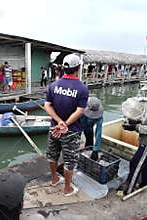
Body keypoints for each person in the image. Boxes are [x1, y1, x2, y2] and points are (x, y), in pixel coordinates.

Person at [44, 53, 89, 197]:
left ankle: (54, 179)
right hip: (71, 131)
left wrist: (58, 122)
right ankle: (67, 188)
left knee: (52, 155)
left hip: (54, 128)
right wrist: (65, 124)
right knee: (70, 160)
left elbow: (47, 105)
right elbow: (80, 111)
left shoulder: (53, 85)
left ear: (63, 67)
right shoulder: (82, 88)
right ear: (78, 68)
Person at [81, 97, 103, 161]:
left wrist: (96, 149)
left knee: (90, 144)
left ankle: (86, 158)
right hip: (78, 126)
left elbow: (98, 132)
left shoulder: (99, 116)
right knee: (74, 145)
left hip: (89, 128)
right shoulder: (81, 107)